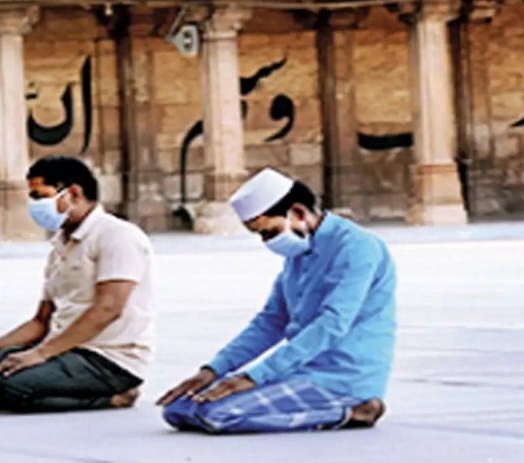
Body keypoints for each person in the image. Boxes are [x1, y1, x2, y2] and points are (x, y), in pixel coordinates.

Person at [158, 168, 396, 434]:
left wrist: (255, 376)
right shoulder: (299, 254)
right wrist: (213, 370)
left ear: (298, 213)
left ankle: (354, 411)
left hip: (341, 379)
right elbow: (271, 321)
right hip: (297, 370)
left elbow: (332, 324)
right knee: (180, 408)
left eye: (269, 232)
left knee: (216, 415)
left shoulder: (357, 247)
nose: (266, 242)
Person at [0, 156, 155, 412]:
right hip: (62, 347)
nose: (34, 205)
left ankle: (114, 398)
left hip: (107, 359)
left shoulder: (117, 236)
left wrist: (40, 354)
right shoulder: (61, 244)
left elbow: (108, 309)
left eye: (40, 196)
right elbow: (41, 321)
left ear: (73, 193)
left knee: (10, 388)